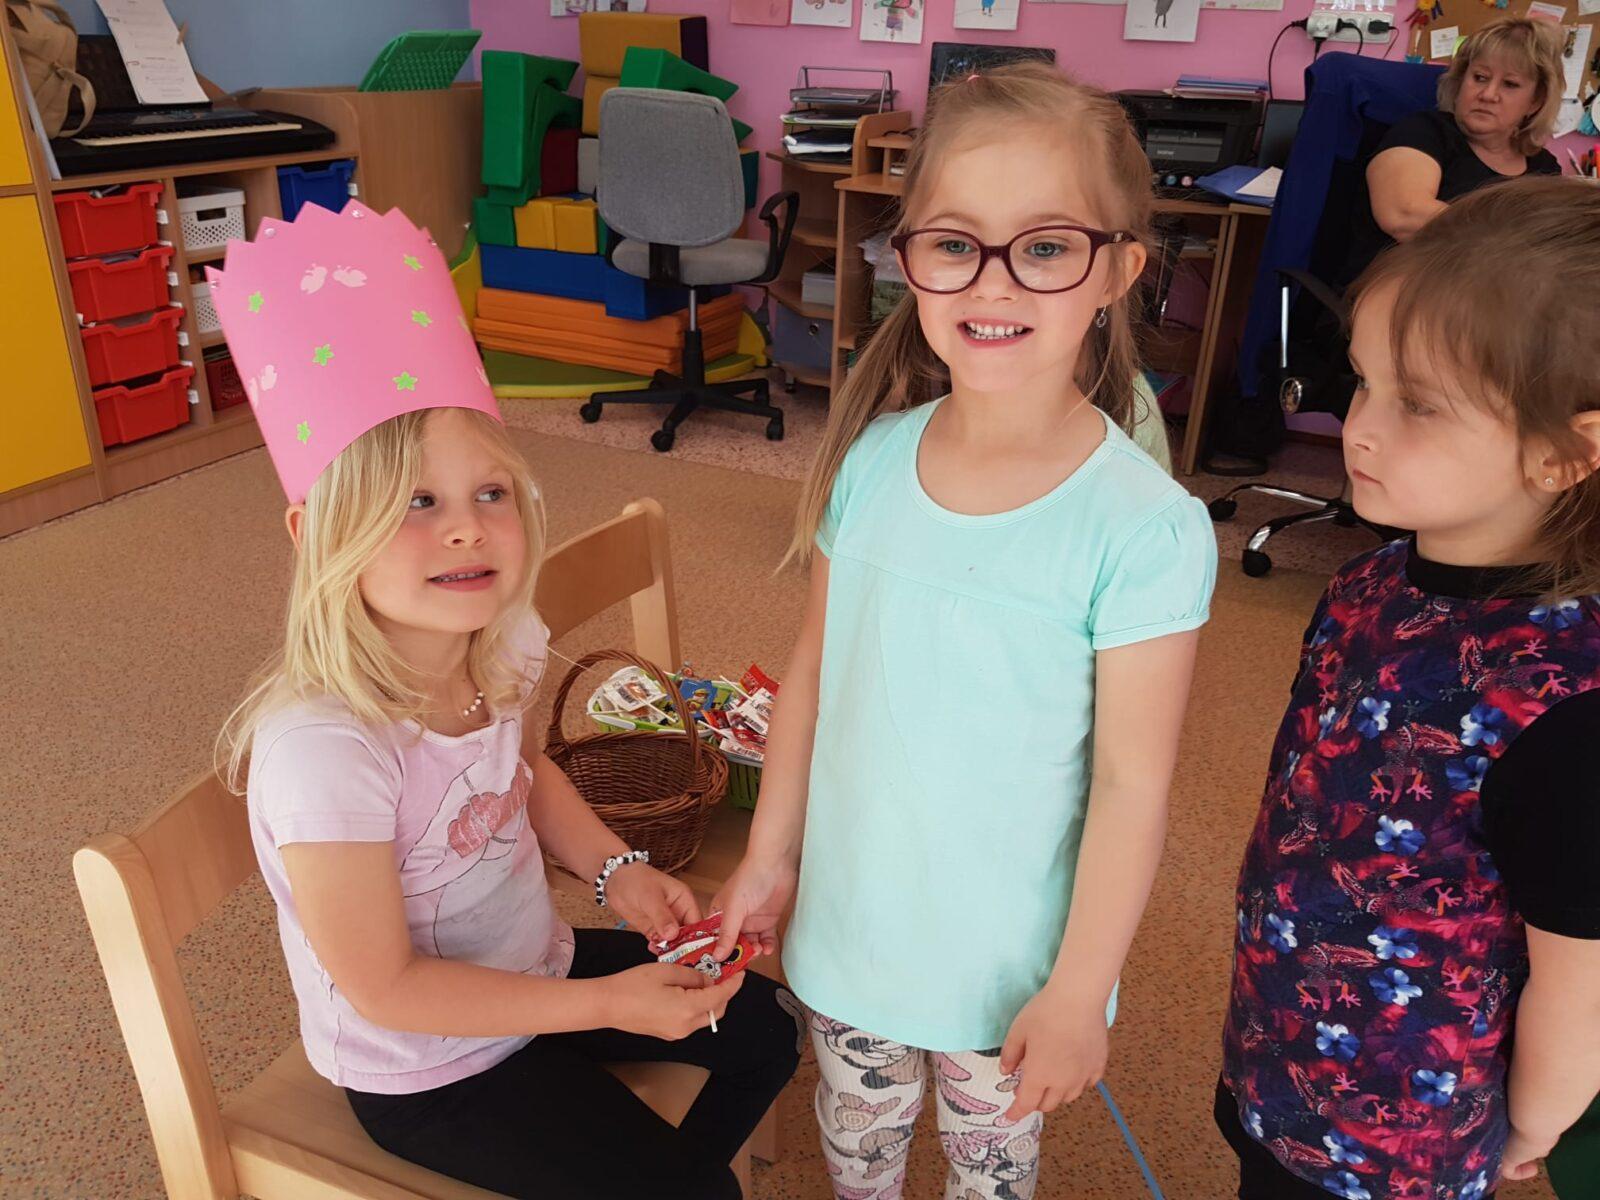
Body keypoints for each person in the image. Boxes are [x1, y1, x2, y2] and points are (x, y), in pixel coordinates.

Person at [212, 201, 799, 1200]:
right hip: (424, 1067)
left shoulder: (504, 642)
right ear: (316, 534)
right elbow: (386, 987)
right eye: (415, 502)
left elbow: (523, 775)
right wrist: (608, 1004)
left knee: (763, 1032)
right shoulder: (324, 749)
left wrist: (617, 872)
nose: (466, 530)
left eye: (489, 492)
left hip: (536, 969)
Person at [712, 62, 1218, 1198]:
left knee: (991, 1176)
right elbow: (812, 677)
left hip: (1008, 974)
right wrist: (768, 858)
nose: (993, 281)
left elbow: (1132, 785)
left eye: (1045, 247)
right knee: (857, 1154)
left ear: (1117, 271)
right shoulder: (871, 459)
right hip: (849, 940)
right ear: (908, 259)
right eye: (954, 243)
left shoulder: (1145, 526)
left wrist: (1079, 989)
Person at [1217, 175, 1600, 1200]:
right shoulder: (1367, 584)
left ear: (1569, 453)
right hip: (1278, 1044)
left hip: (1403, 1144)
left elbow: (1581, 971)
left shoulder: (1567, 705)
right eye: (1363, 382)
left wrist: (1535, 1121)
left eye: (1418, 405)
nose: (1358, 428)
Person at [1340, 17, 1564, 287]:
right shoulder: (1424, 131)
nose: (1488, 94)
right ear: (1460, 83)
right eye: (1479, 78)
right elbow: (1403, 214)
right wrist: (1518, 252)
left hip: (1491, 303)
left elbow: (1556, 250)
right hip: (1397, 297)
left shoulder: (1544, 168)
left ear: (1535, 101)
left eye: (1510, 84)